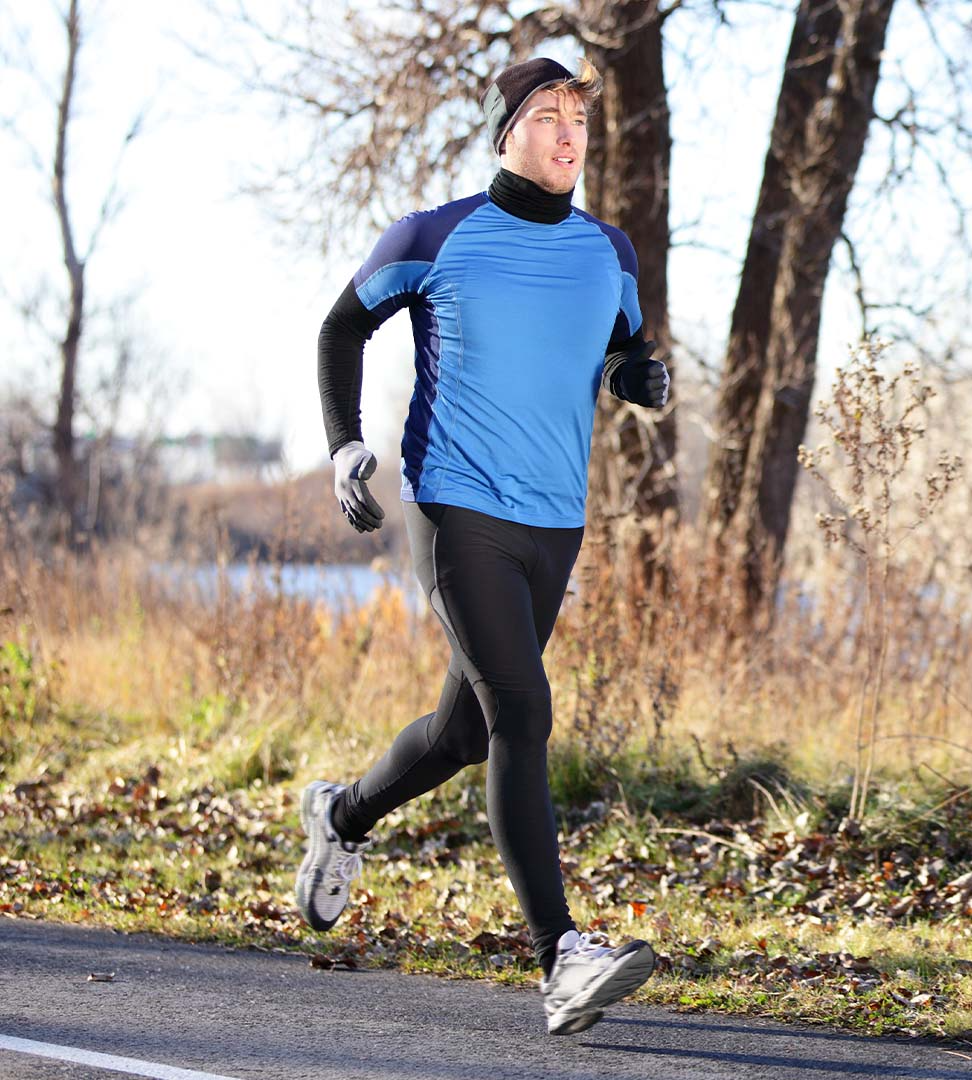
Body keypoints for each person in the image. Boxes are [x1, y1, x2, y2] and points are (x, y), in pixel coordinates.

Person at [298, 55, 670, 1035]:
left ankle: (342, 817)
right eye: (547, 115)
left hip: (555, 522)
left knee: (466, 733)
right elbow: (341, 330)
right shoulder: (437, 236)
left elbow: (627, 348)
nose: (568, 134)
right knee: (523, 711)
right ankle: (562, 958)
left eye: (579, 118)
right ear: (506, 132)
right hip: (457, 511)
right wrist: (345, 446)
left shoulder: (610, 253)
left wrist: (636, 380)